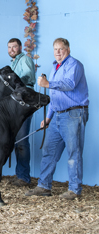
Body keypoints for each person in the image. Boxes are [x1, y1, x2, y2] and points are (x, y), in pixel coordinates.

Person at [26, 38, 89, 200]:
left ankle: (74, 190)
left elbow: (69, 84)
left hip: (74, 114)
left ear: (68, 49)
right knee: (49, 151)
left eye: (61, 49)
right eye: (55, 49)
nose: (58, 52)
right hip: (58, 115)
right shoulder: (55, 66)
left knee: (73, 152)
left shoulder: (75, 65)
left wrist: (47, 84)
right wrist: (48, 118)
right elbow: (54, 96)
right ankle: (44, 186)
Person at [7, 38, 36, 187]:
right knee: (17, 140)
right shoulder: (14, 63)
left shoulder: (24, 59)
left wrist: (11, 83)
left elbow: (28, 77)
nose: (12, 50)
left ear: (20, 47)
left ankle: (24, 177)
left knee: (22, 141)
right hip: (16, 104)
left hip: (24, 102)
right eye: (9, 47)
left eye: (14, 47)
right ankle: (21, 175)